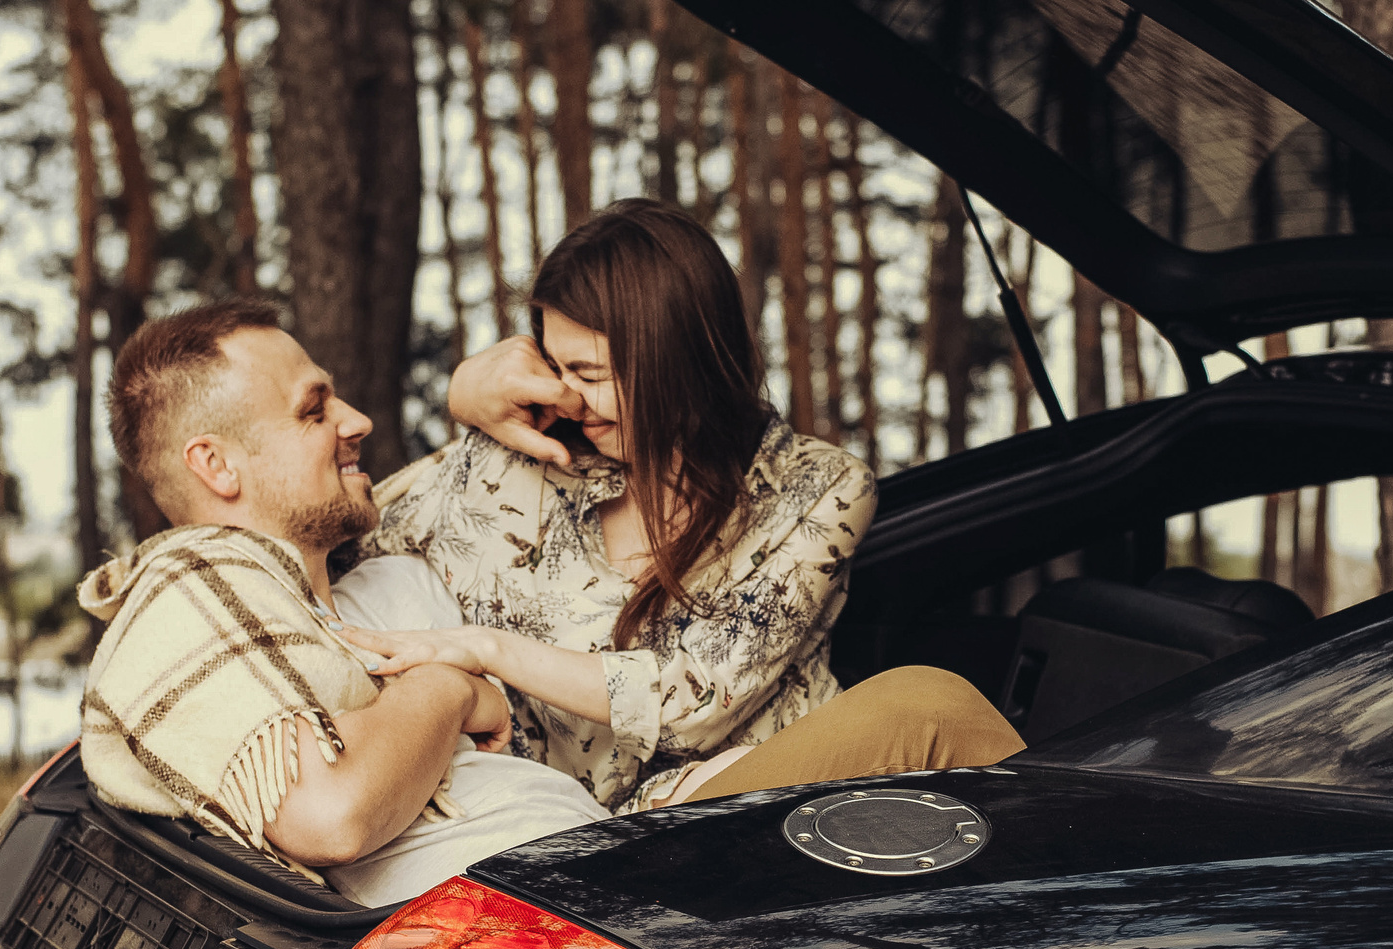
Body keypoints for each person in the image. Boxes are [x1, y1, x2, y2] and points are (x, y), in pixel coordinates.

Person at [78, 298, 1022, 906]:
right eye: (315, 408)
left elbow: (380, 504)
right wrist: (456, 681)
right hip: (582, 902)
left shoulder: (367, 583)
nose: (357, 420)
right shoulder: (196, 586)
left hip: (602, 842)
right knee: (933, 709)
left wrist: (466, 396)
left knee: (929, 724)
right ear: (215, 466)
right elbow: (332, 818)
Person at [345, 197, 1019, 813]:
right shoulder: (510, 459)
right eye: (553, 367)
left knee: (936, 709)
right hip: (561, 832)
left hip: (754, 800)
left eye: (589, 373)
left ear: (675, 357)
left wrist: (486, 649)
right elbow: (333, 534)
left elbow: (693, 702)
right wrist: (464, 393)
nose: (567, 397)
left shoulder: (819, 488)